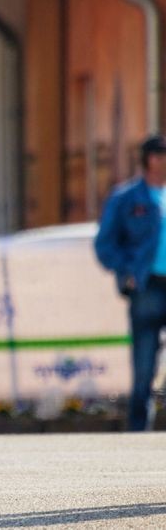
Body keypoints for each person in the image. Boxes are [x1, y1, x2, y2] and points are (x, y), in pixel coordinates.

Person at [95, 135, 166, 431]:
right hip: (147, 286)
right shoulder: (125, 198)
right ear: (152, 159)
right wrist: (126, 271)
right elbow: (105, 244)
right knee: (144, 365)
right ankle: (138, 432)